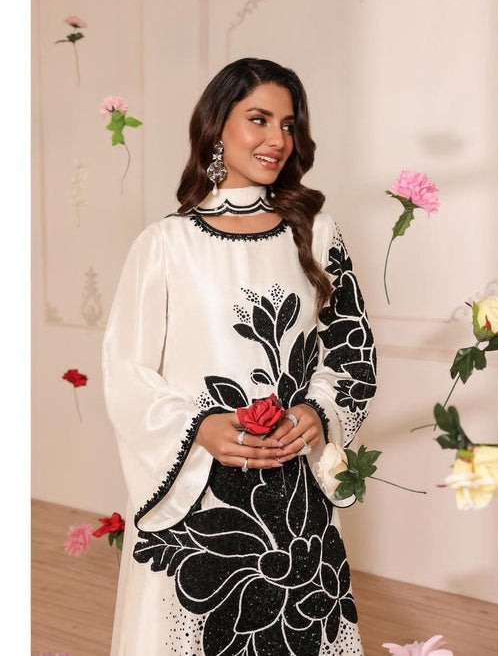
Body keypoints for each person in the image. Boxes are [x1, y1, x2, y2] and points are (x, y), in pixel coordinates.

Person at [102, 57, 377, 656]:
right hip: (200, 491)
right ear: (217, 124)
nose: (277, 139)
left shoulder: (317, 233)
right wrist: (199, 427)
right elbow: (127, 371)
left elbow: (352, 353)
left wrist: (317, 412)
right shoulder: (165, 244)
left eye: (288, 124)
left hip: (295, 494)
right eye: (259, 119)